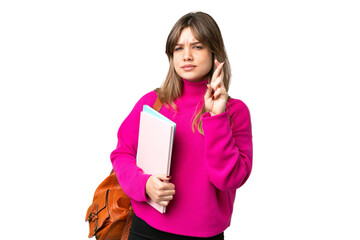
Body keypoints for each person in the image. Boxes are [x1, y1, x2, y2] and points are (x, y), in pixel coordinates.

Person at [110, 11, 253, 240]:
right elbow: (122, 153)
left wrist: (216, 117)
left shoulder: (234, 112)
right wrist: (144, 184)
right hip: (145, 230)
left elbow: (229, 179)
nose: (186, 56)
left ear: (214, 52)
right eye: (178, 48)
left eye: (197, 47)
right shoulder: (153, 102)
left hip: (204, 235)